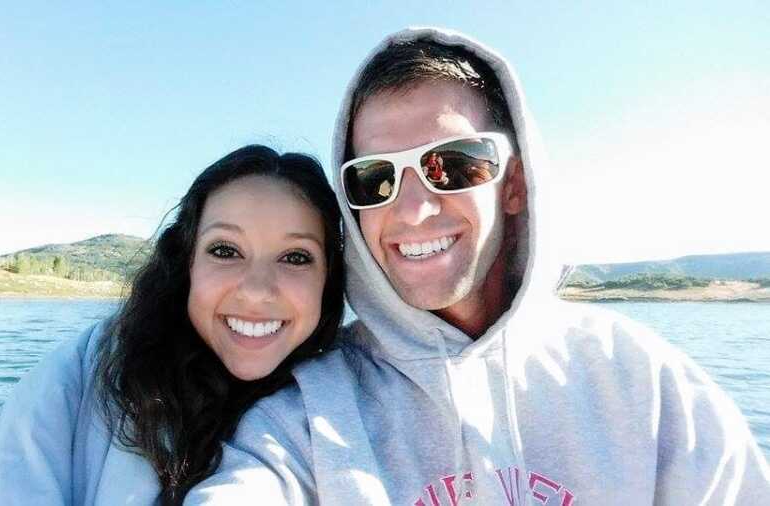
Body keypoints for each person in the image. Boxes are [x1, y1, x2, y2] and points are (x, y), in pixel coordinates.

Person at [185, 28, 770, 505]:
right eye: (376, 178)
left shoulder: (646, 386)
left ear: (513, 184)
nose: (412, 210)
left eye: (452, 164)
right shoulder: (307, 418)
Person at [0, 145, 345, 505]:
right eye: (225, 250)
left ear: (329, 279)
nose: (257, 291)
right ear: (186, 263)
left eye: (296, 257)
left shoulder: (350, 399)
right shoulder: (71, 384)